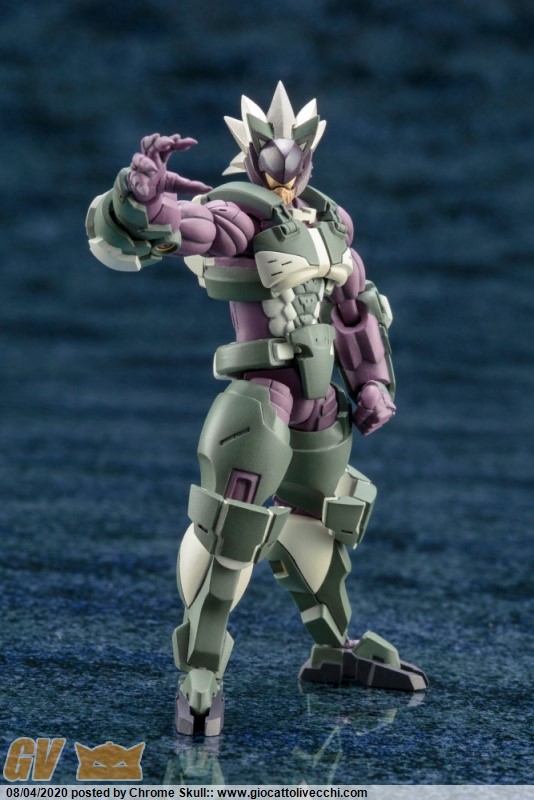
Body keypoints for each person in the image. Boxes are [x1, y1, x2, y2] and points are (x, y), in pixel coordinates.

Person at [86, 82, 428, 737]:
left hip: (322, 401)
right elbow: (191, 229)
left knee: (326, 521)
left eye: (295, 152)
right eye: (272, 153)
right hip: (264, 392)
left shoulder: (331, 223)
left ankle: (333, 650)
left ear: (309, 153)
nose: (285, 165)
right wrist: (142, 197)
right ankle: (200, 673)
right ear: (251, 154)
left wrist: (373, 383)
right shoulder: (242, 212)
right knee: (231, 527)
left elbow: (356, 311)